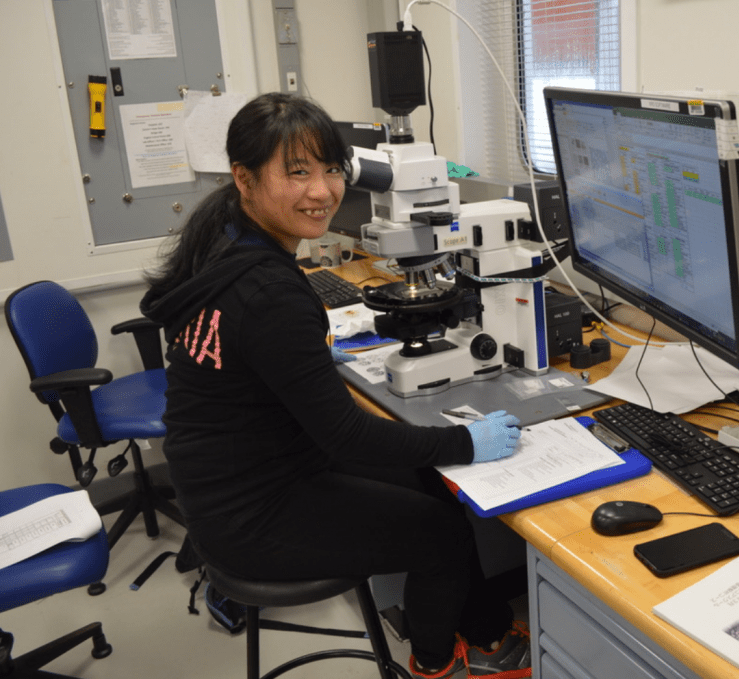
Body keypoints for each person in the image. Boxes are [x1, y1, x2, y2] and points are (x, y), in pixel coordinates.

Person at [140, 92, 531, 679]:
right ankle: (434, 663)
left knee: (422, 477)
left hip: (225, 481)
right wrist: (466, 444)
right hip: (251, 515)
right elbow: (346, 437)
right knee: (442, 530)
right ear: (244, 179)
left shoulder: (224, 242)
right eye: (296, 172)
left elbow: (270, 361)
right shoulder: (269, 292)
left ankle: (483, 629)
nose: (322, 191)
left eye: (330, 169)